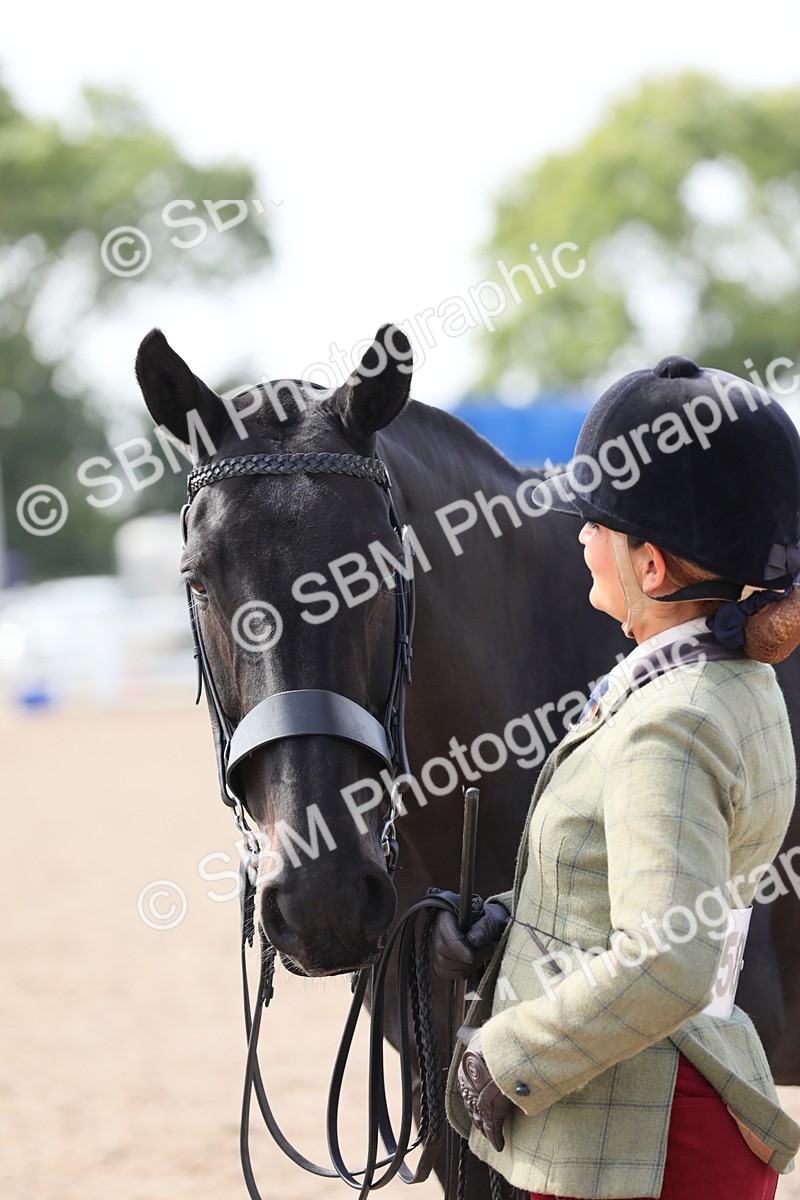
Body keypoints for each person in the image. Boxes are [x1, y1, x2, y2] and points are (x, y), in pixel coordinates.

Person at [435, 356, 800, 1200]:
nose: (580, 538)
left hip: (636, 1143)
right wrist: (518, 932)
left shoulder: (671, 721)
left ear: (651, 567)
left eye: (597, 522)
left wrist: (507, 1055)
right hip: (672, 1108)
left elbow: (667, 957)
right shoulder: (736, 681)